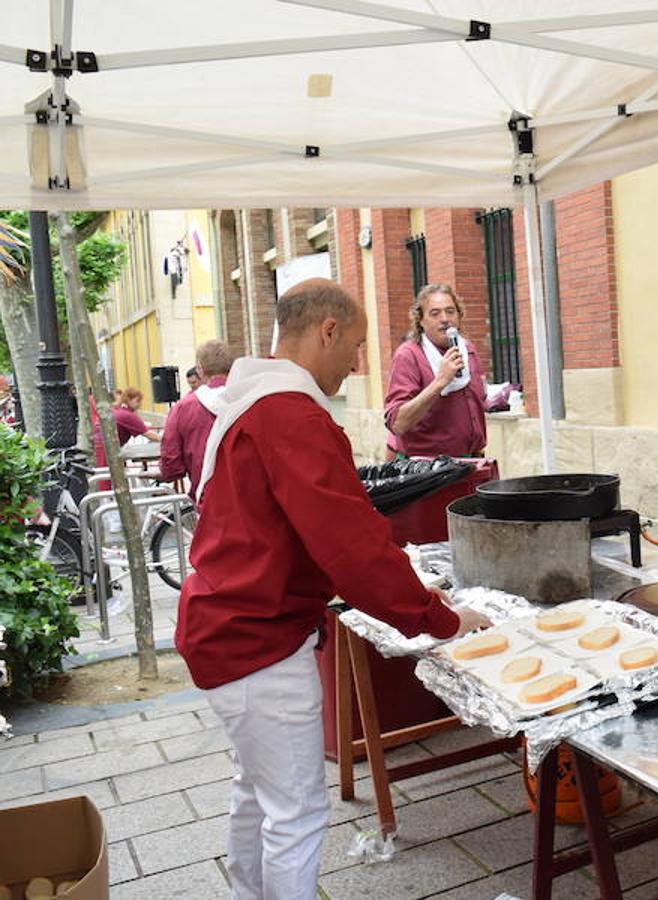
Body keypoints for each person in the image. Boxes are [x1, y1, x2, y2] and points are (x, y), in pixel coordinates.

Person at [176, 278, 488, 899]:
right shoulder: (290, 412)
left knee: (255, 793)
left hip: (223, 626)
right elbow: (349, 546)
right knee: (295, 814)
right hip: (257, 638)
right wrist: (442, 618)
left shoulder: (252, 401)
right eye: (356, 344)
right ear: (328, 331)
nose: (357, 361)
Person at [383, 282, 488, 458]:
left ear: (459, 316)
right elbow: (398, 423)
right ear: (421, 321)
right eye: (435, 313)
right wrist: (440, 382)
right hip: (428, 470)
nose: (445, 319)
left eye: (450, 311)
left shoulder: (468, 350)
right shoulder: (409, 355)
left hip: (471, 462)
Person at [159, 340, 232, 497]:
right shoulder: (253, 400)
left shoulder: (182, 408)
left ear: (199, 369)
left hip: (207, 501)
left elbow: (171, 468)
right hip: (254, 506)